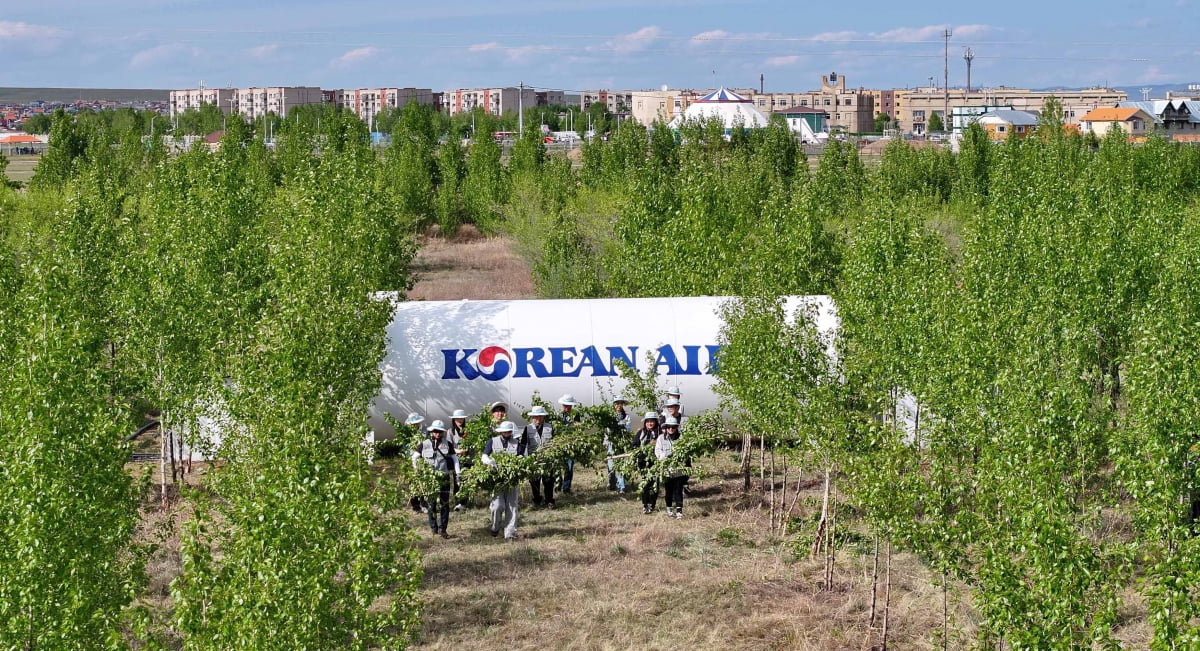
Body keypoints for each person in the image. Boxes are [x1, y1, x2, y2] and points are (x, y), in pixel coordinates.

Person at [411, 420, 461, 538]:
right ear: (431, 431)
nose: (437, 434)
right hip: (430, 480)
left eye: (440, 432)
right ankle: (434, 528)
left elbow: (455, 459)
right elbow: (414, 458)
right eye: (435, 431)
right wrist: (417, 471)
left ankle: (443, 529)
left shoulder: (447, 444)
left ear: (443, 432)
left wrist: (458, 473)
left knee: (444, 504)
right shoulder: (424, 444)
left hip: (444, 478)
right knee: (431, 504)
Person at [481, 420, 526, 540]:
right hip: (497, 481)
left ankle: (509, 534)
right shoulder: (492, 441)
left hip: (512, 481)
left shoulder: (517, 443)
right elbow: (484, 455)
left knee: (512, 507)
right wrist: (489, 461)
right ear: (501, 432)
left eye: (509, 431)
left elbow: (523, 459)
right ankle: (495, 527)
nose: (507, 433)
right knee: (497, 506)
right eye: (505, 431)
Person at [522, 405, 556, 508]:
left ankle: (549, 500)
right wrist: (523, 458)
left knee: (549, 481)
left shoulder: (550, 427)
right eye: (536, 416)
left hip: (547, 460)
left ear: (543, 417)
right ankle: (537, 500)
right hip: (534, 460)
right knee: (534, 481)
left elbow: (555, 442)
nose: (538, 419)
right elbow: (523, 444)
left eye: (540, 416)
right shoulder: (528, 428)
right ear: (532, 417)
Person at [656, 416, 687, 518]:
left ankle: (679, 511)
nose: (671, 429)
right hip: (667, 469)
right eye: (669, 427)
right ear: (666, 427)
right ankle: (669, 508)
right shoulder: (661, 438)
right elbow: (658, 451)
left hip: (678, 469)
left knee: (678, 489)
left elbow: (686, 452)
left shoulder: (682, 438)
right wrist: (665, 456)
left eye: (673, 427)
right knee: (668, 491)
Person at [634, 411, 661, 514]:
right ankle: (645, 504)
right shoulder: (641, 433)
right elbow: (635, 445)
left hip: (656, 462)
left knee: (654, 483)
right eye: (648, 421)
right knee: (645, 483)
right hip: (643, 462)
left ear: (655, 422)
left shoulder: (660, 433)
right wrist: (645, 446)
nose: (650, 423)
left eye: (652, 421)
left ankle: (652, 504)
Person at [402, 412, 428, 514]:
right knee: (412, 483)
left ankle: (424, 504)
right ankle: (415, 506)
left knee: (424, 482)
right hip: (411, 459)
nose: (415, 425)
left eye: (416, 424)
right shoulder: (406, 433)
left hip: (422, 459)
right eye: (413, 424)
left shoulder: (425, 430)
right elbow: (404, 447)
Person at [558, 394, 582, 493]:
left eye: (569, 406)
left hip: (570, 443)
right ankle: (558, 486)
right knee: (558, 466)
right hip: (559, 443)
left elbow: (577, 426)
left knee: (569, 466)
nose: (567, 407)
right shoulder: (558, 414)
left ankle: (566, 488)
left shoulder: (575, 413)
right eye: (565, 405)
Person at [449, 409, 472, 511]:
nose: (459, 420)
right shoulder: (450, 432)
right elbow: (449, 447)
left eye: (461, 418)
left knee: (466, 482)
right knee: (457, 481)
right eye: (457, 418)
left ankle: (464, 503)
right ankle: (458, 502)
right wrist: (459, 451)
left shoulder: (469, 430)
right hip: (457, 461)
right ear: (454, 419)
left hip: (468, 460)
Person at [606, 397, 631, 492]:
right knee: (611, 465)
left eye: (621, 403)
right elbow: (607, 430)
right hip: (611, 443)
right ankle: (612, 484)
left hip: (621, 443)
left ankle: (621, 487)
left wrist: (620, 427)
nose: (619, 406)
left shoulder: (626, 416)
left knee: (620, 465)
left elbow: (628, 428)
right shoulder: (610, 416)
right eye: (617, 403)